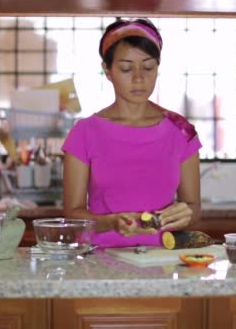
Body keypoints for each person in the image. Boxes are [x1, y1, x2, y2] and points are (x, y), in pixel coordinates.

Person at [61, 18, 201, 248]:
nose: (139, 78)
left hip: (163, 263)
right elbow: (72, 214)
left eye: (148, 67)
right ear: (107, 70)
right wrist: (110, 223)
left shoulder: (181, 131)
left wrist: (186, 214)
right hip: (99, 262)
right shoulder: (85, 132)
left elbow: (194, 208)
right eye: (126, 68)